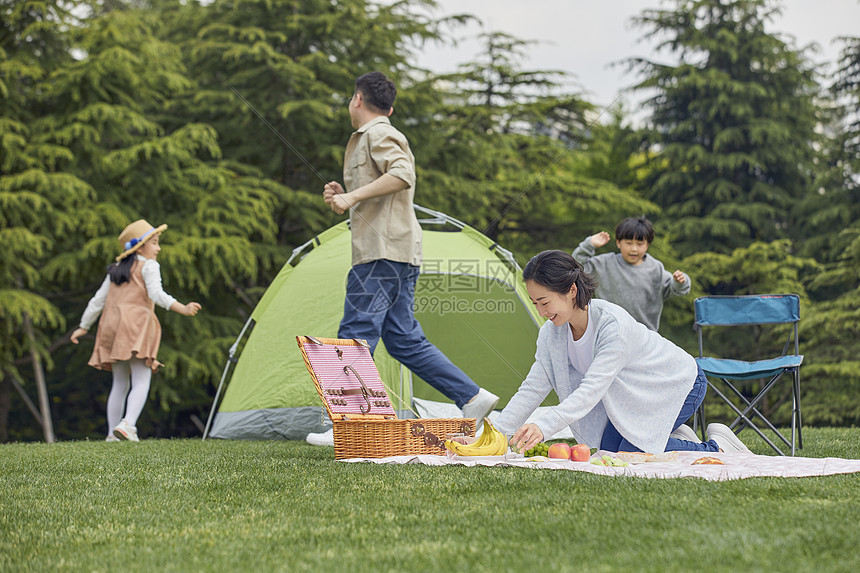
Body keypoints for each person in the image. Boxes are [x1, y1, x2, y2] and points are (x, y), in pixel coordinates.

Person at [308, 71, 498, 446]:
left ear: (357, 99)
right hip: (397, 251)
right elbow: (386, 187)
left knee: (355, 333)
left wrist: (352, 197)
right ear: (390, 105)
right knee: (402, 339)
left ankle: (351, 423)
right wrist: (343, 195)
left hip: (381, 254)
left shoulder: (378, 132)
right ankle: (472, 398)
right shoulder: (375, 135)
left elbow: (402, 173)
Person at [489, 250, 750, 455]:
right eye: (535, 303)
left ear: (571, 291)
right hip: (636, 397)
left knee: (629, 452)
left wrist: (543, 427)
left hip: (678, 384)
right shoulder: (551, 333)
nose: (541, 312)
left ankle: (718, 446)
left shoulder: (612, 325)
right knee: (608, 450)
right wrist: (498, 433)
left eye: (545, 302)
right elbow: (533, 388)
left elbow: (591, 390)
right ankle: (671, 437)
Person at [70, 219, 201, 442]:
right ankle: (129, 424)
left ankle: (112, 433)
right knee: (142, 378)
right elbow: (156, 295)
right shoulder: (149, 266)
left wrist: (83, 327)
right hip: (135, 325)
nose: (158, 248)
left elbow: (97, 301)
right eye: (155, 243)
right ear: (140, 246)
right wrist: (183, 308)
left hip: (111, 326)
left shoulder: (116, 270)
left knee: (119, 382)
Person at [572, 216, 690, 331]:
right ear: (618, 243)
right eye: (628, 243)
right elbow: (577, 268)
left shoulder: (655, 268)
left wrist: (680, 281)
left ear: (647, 245)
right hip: (609, 330)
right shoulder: (604, 264)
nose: (634, 249)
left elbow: (674, 289)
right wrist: (589, 245)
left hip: (646, 334)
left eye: (639, 244)